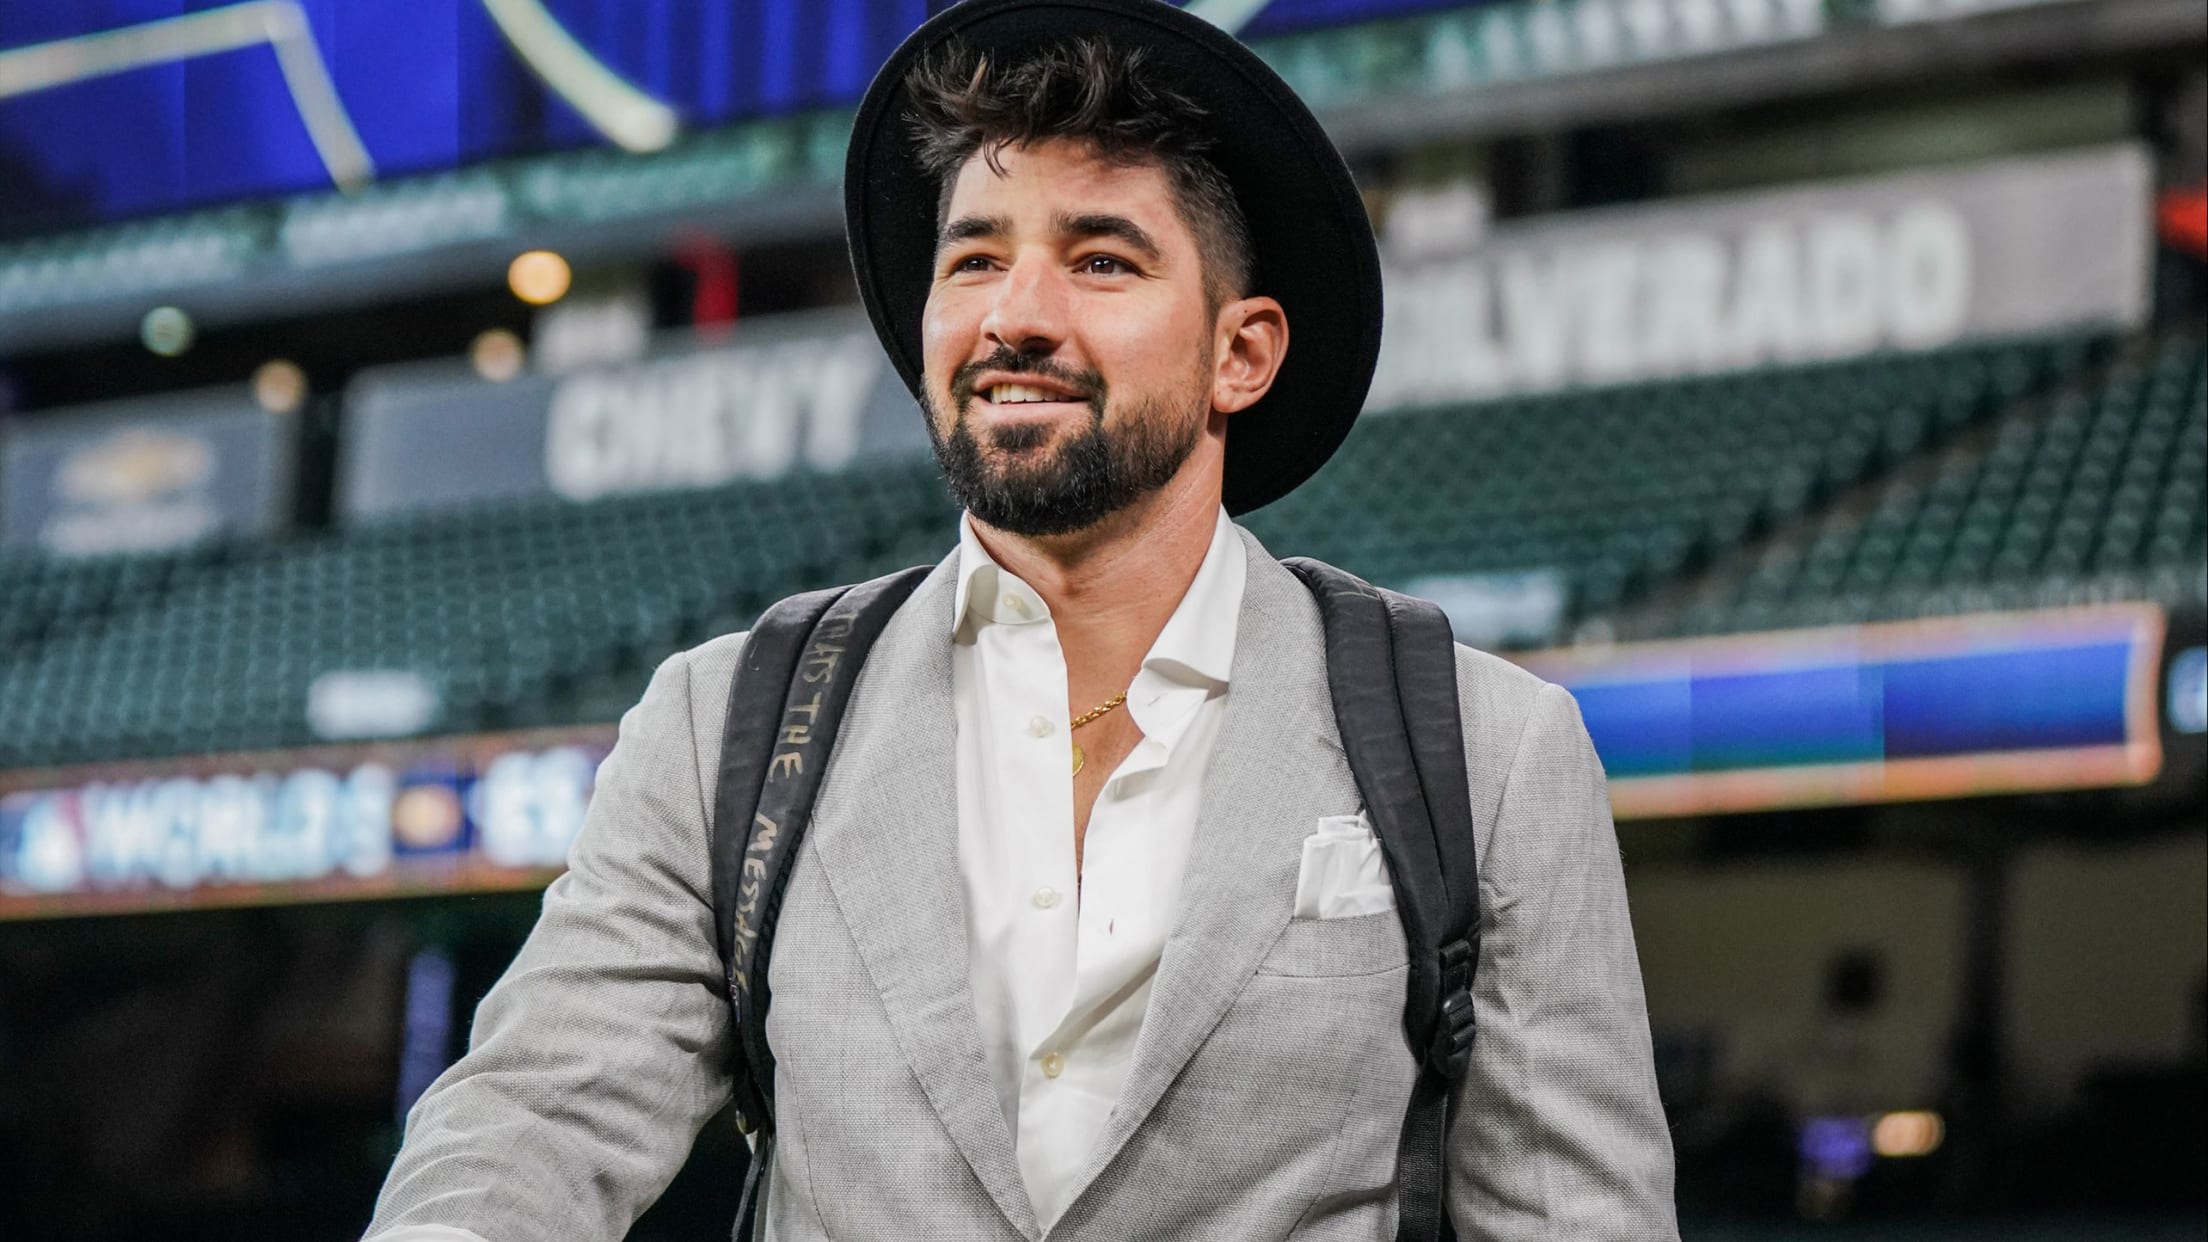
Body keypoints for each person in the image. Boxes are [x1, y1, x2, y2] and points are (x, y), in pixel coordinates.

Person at [365, 1, 1677, 1238]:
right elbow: (529, 1119)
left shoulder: (1486, 748)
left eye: (1101, 259)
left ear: (1243, 352)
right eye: (975, 256)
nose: (1013, 315)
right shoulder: (726, 725)